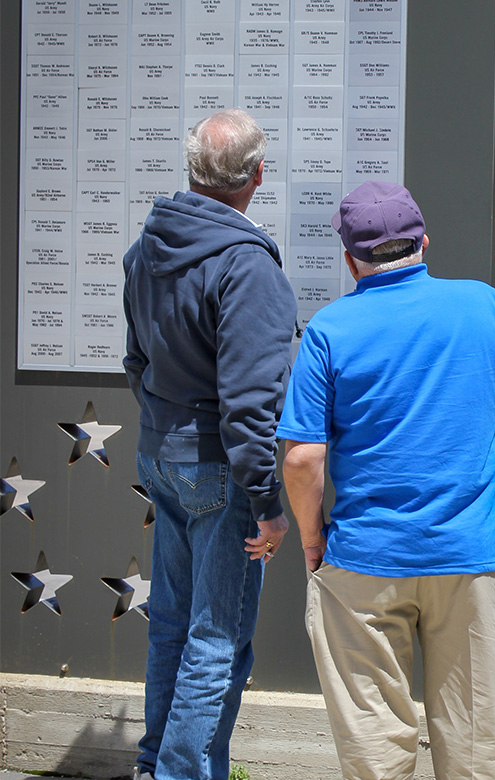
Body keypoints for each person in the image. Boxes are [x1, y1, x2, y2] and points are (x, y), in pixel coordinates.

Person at [250, 180, 495, 780]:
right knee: (472, 743)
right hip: (468, 558)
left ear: (348, 259)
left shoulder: (329, 331)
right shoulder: (486, 306)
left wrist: (313, 540)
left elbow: (302, 460)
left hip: (363, 563)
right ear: (424, 241)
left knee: (374, 746)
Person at [122, 108, 297, 780]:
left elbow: (136, 362)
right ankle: (180, 773)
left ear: (194, 170)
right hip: (219, 471)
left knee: (171, 623)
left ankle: (154, 764)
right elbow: (252, 407)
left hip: (162, 455)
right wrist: (268, 502)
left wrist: (170, 431)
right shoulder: (246, 266)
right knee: (215, 637)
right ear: (258, 175)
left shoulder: (148, 248)